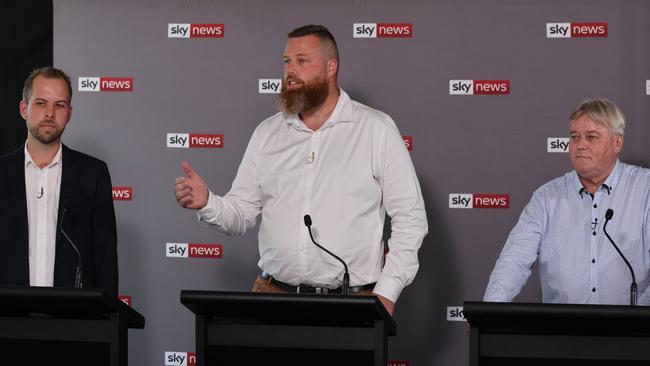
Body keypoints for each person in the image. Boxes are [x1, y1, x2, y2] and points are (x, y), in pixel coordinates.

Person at [175, 24, 427, 314]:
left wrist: (387, 293)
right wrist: (207, 203)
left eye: (302, 61)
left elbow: (411, 218)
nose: (290, 70)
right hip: (271, 295)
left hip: (353, 302)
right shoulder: (267, 132)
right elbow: (241, 213)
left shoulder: (376, 129)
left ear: (331, 66)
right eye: (287, 61)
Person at [484, 98, 650, 305]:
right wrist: (490, 309)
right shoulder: (546, 198)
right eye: (575, 137)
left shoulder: (645, 190)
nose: (581, 145)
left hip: (633, 332)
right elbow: (514, 260)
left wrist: (638, 321)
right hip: (562, 331)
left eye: (592, 137)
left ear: (617, 142)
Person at [0, 67, 118, 297]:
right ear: (24, 109)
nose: (50, 113)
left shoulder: (93, 174)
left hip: (73, 320)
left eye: (59, 105)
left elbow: (106, 259)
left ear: (69, 113)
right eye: (41, 103)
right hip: (8, 318)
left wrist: (106, 325)